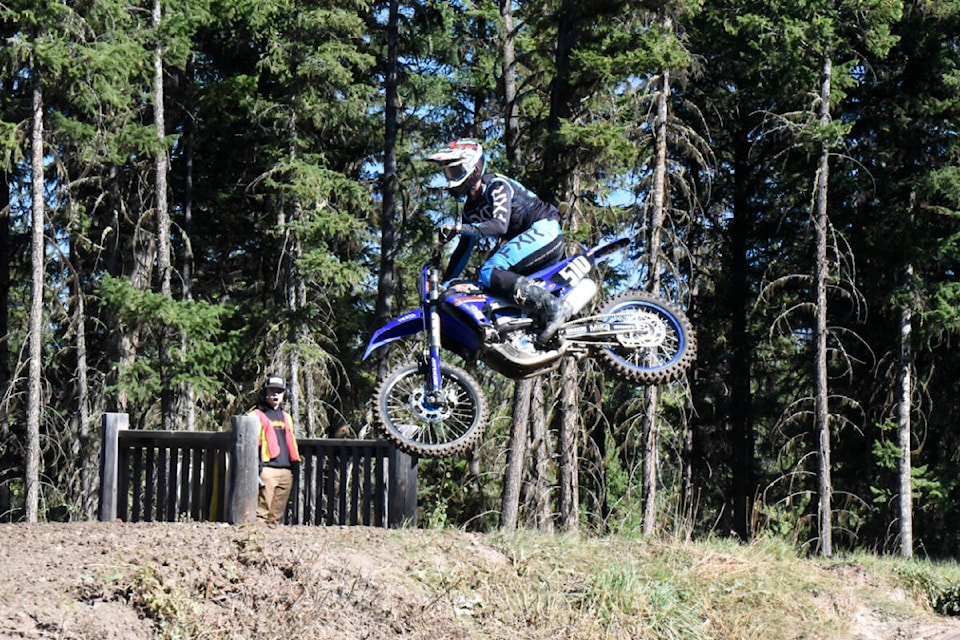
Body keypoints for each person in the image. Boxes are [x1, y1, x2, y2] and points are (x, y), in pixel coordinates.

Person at [426, 138, 571, 345]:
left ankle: (554, 307)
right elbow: (464, 249)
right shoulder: (470, 209)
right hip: (535, 241)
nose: (452, 178)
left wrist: (459, 228)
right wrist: (445, 285)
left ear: (474, 168)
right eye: (449, 172)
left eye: (456, 170)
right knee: (494, 286)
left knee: (489, 270)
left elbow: (499, 225)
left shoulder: (496, 186)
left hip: (544, 229)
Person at [250, 374, 301, 524]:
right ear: (264, 393)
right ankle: (256, 542)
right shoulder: (255, 415)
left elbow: (291, 442)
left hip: (286, 471)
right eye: (271, 391)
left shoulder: (286, 417)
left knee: (276, 517)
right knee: (261, 513)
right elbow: (250, 444)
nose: (275, 394)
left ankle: (271, 544)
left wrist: (295, 464)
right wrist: (257, 466)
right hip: (267, 470)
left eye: (279, 391)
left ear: (285, 394)